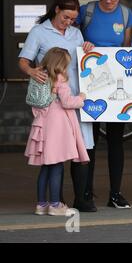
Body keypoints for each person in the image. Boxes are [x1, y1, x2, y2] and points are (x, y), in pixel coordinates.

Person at [18, 0, 96, 212]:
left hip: (72, 97)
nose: (69, 22)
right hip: (56, 102)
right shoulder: (39, 32)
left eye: (73, 19)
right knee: (57, 153)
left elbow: (82, 58)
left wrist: (88, 48)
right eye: (66, 18)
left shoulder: (76, 33)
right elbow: (24, 61)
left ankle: (81, 198)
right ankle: (56, 200)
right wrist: (32, 71)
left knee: (81, 148)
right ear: (57, 10)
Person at [76, 0, 132, 209]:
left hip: (115, 83)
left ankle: (115, 193)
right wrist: (83, 45)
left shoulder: (126, 14)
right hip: (89, 83)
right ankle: (86, 192)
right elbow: (74, 38)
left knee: (115, 140)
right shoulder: (87, 11)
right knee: (88, 140)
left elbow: (127, 48)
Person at [25, 48, 90, 216]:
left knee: (45, 167)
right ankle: (55, 205)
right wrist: (81, 98)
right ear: (61, 64)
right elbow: (67, 102)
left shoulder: (39, 76)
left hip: (42, 123)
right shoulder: (59, 78)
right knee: (57, 166)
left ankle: (41, 205)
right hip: (57, 127)